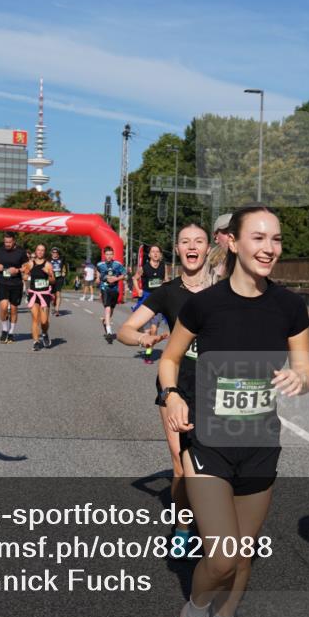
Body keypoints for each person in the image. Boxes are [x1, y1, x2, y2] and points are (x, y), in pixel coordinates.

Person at [160, 205, 309, 617]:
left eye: (276, 239)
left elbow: (306, 371)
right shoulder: (205, 305)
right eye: (259, 238)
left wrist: (298, 378)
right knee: (223, 555)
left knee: (243, 553)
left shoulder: (290, 306)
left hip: (260, 443)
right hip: (209, 443)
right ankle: (193, 614)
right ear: (234, 242)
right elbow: (170, 360)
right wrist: (171, 396)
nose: (269, 248)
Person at [119, 225, 210, 554]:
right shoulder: (168, 292)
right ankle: (184, 528)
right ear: (178, 249)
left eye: (198, 241)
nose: (192, 246)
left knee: (213, 463)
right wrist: (142, 338)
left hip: (216, 385)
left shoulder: (226, 290)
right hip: (175, 385)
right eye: (185, 241)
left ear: (208, 248)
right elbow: (125, 329)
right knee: (180, 462)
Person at [132, 244, 167, 361]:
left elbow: (165, 280)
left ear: (160, 254)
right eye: (153, 252)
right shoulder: (144, 268)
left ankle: (148, 354)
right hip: (147, 298)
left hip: (159, 299)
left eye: (158, 252)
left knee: (154, 329)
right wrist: (138, 290)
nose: (155, 254)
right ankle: (143, 336)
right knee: (146, 331)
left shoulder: (163, 266)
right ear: (150, 254)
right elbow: (134, 278)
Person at [0, 232, 29, 343]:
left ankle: (11, 332)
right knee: (3, 307)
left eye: (9, 242)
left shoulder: (21, 251)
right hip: (3, 282)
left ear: (14, 241)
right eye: (5, 242)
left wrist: (18, 270)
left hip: (16, 283)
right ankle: (4, 330)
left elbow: (27, 266)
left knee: (14, 309)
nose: (7, 244)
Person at [23, 244, 56, 351]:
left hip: (45, 294)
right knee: (35, 318)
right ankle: (36, 341)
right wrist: (26, 275)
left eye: (42, 250)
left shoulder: (48, 265)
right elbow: (25, 276)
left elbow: (53, 281)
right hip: (33, 294)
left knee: (44, 321)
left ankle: (45, 333)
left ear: (44, 252)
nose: (40, 252)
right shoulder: (30, 264)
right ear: (36, 251)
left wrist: (50, 274)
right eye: (38, 250)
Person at [96, 246, 127, 344]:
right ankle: (109, 332)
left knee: (111, 310)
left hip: (115, 289)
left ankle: (106, 321)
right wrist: (97, 278)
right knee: (107, 309)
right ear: (104, 255)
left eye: (111, 254)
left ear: (113, 255)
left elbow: (124, 274)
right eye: (107, 254)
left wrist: (116, 279)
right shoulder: (100, 264)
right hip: (105, 289)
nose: (109, 256)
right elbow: (98, 272)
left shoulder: (117, 264)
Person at [205, 213, 231, 286]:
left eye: (236, 230)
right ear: (216, 237)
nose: (232, 235)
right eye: (227, 231)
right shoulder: (207, 267)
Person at [48, 247, 66, 316]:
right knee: (52, 295)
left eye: (56, 252)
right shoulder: (48, 260)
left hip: (59, 278)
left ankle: (57, 310)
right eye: (53, 252)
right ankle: (53, 301)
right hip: (51, 278)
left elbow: (64, 267)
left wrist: (64, 273)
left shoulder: (62, 259)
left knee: (58, 293)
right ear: (51, 253)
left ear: (58, 254)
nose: (54, 254)